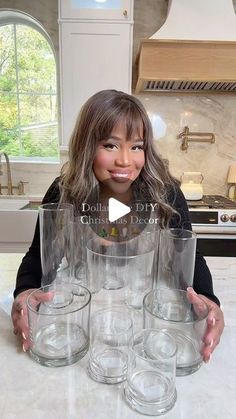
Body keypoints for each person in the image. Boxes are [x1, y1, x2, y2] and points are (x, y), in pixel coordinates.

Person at [11, 89, 224, 359]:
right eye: (110, 145)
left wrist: (210, 301)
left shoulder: (165, 193)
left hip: (150, 334)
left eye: (136, 146)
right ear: (87, 146)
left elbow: (192, 258)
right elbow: (36, 257)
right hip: (80, 332)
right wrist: (24, 293)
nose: (125, 160)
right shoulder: (63, 192)